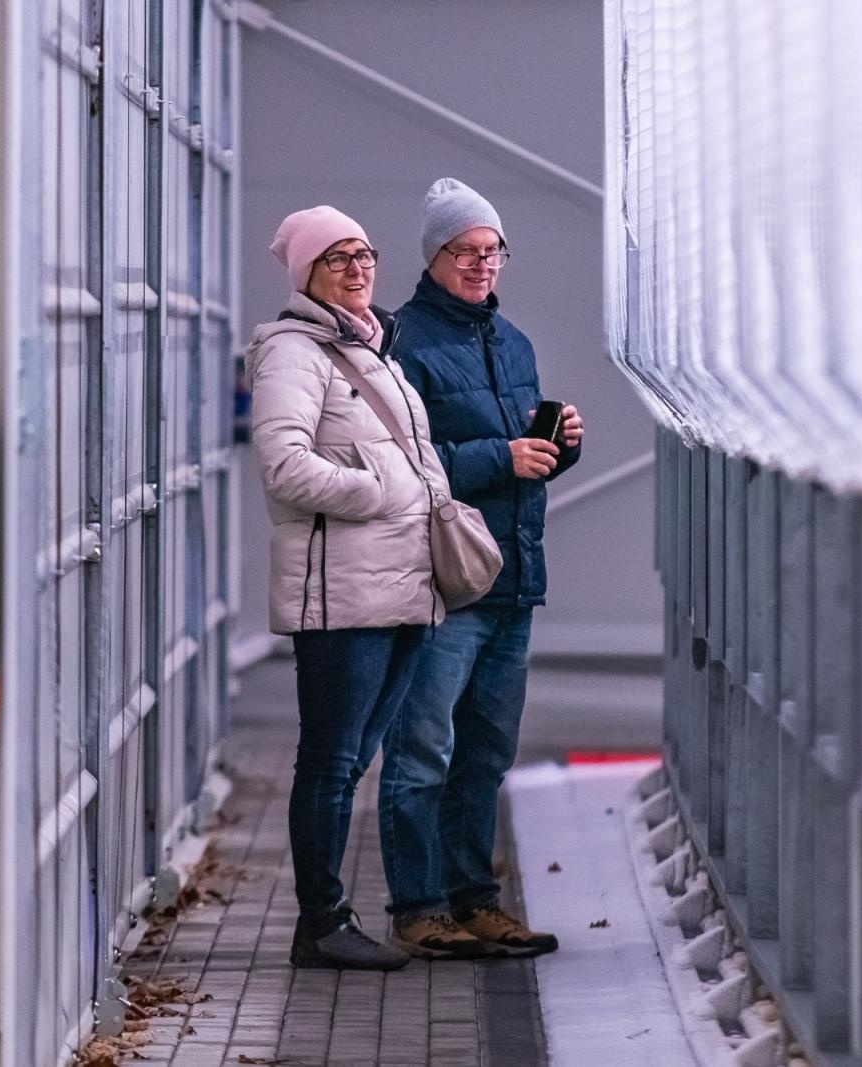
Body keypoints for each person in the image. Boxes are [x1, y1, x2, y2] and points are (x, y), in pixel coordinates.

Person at [379, 178, 583, 959]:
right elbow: (406, 465)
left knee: (486, 755)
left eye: (491, 249)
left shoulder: (516, 343)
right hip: (446, 583)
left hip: (511, 583)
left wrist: (556, 447)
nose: (480, 262)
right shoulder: (403, 344)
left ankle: (475, 900)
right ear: (432, 257)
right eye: (463, 250)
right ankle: (419, 906)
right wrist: (502, 455)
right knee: (422, 750)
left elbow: (517, 469)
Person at [246, 204, 454, 970]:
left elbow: (414, 459)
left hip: (398, 587)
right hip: (342, 597)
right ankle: (321, 922)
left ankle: (328, 916)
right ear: (306, 274)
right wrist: (381, 492)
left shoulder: (373, 347)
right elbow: (284, 466)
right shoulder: (293, 353)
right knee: (331, 762)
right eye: (337, 258)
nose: (359, 268)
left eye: (364, 252)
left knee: (353, 759)